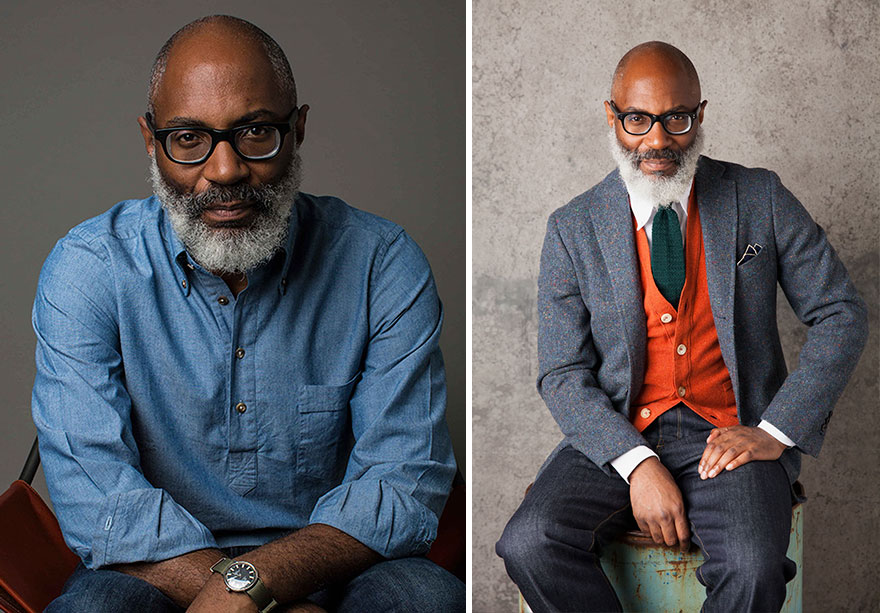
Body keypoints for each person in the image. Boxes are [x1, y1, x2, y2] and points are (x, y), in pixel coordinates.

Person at [32, 15, 463, 613]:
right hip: (152, 570)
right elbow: (95, 496)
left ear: (299, 129)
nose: (226, 170)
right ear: (150, 139)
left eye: (256, 132)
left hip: (338, 565)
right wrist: (261, 599)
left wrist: (262, 584)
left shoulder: (381, 264)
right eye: (188, 138)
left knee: (427, 601)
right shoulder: (88, 268)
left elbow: (403, 479)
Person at [496, 41, 867, 612]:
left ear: (700, 115)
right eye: (638, 120)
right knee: (528, 542)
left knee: (753, 567)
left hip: (730, 434)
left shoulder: (759, 196)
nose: (658, 141)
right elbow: (562, 371)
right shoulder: (572, 228)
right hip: (621, 431)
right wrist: (637, 463)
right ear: (613, 117)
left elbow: (840, 312)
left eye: (677, 119)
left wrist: (775, 430)